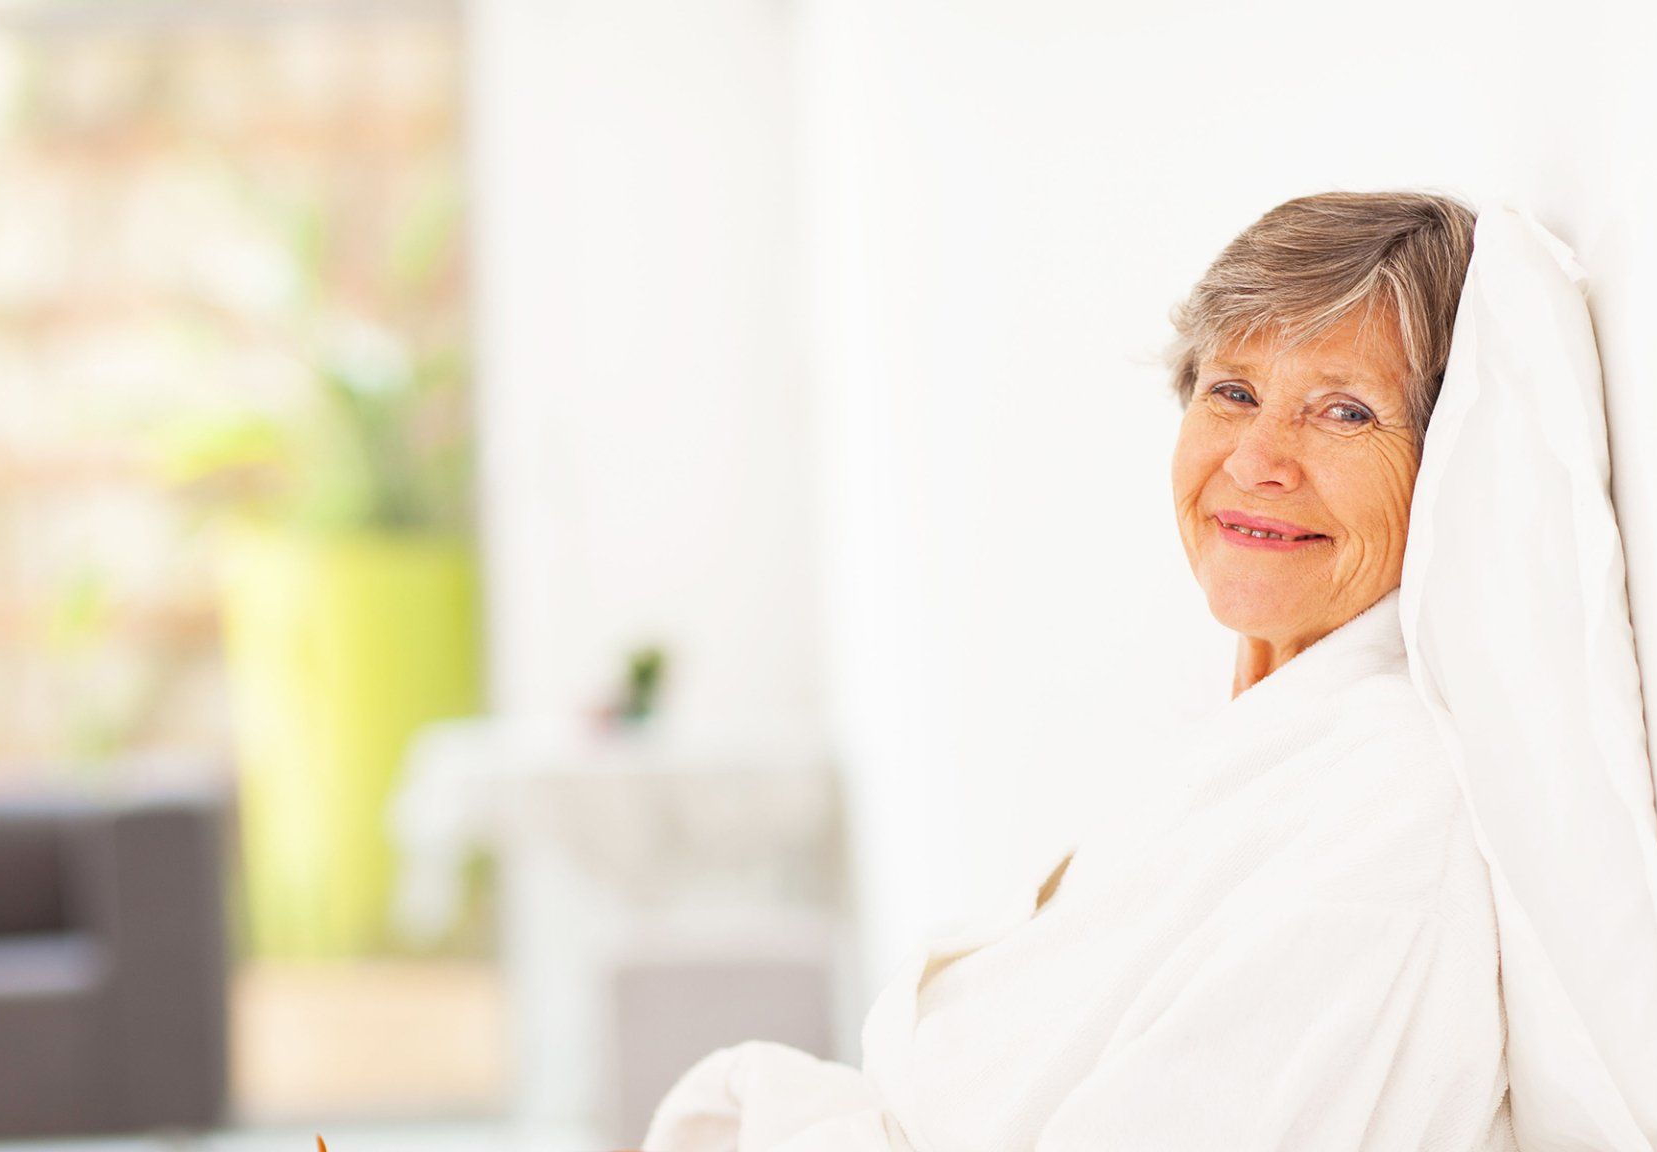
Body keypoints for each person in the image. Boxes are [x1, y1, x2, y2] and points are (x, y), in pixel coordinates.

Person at [643, 191, 1513, 1151]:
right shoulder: (1259, 746)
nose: (1260, 459)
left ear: (1444, 470)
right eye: (1232, 391)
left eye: (1345, 411)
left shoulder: (1389, 803)